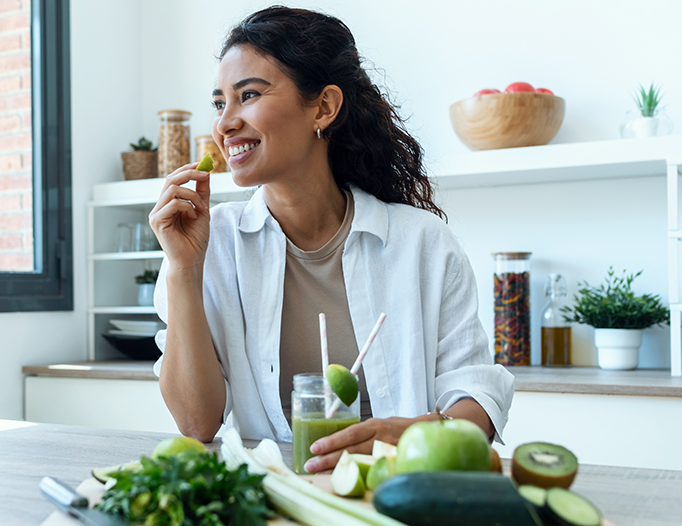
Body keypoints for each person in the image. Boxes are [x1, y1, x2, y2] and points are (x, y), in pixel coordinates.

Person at [148, 5, 514, 473]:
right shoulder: (211, 244)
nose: (224, 124)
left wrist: (410, 434)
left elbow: (475, 394)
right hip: (274, 498)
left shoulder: (424, 244)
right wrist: (182, 268)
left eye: (249, 95)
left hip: (397, 491)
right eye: (220, 103)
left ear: (323, 106)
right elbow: (196, 423)